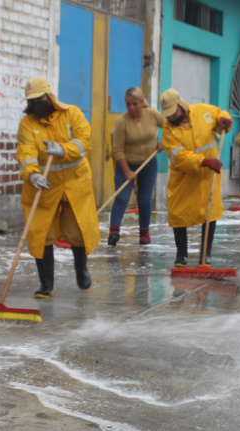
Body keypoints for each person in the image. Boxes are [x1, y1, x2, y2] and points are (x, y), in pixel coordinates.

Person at [17, 77, 99, 297]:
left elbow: (85, 140)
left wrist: (63, 150)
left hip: (75, 181)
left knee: (78, 230)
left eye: (38, 99)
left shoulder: (72, 113)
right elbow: (26, 152)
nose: (35, 104)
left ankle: (81, 269)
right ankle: (46, 284)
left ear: (49, 96)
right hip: (45, 185)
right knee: (41, 232)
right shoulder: (27, 124)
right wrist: (32, 174)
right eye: (31, 101)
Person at [159, 88, 232, 267]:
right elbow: (178, 156)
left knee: (210, 211)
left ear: (181, 106)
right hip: (184, 177)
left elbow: (219, 114)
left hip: (208, 176)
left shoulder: (202, 111)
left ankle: (205, 255)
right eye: (167, 115)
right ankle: (181, 255)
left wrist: (224, 120)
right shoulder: (168, 129)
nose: (170, 118)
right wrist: (204, 161)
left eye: (173, 113)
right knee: (178, 212)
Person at [108, 87, 164, 246]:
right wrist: (127, 171)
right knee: (122, 197)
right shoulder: (122, 122)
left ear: (142, 102)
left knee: (145, 199)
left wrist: (164, 141)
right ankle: (114, 231)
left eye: (134, 104)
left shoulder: (152, 115)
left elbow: (170, 128)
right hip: (126, 163)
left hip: (148, 162)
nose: (131, 108)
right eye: (127, 104)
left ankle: (144, 233)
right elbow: (117, 150)